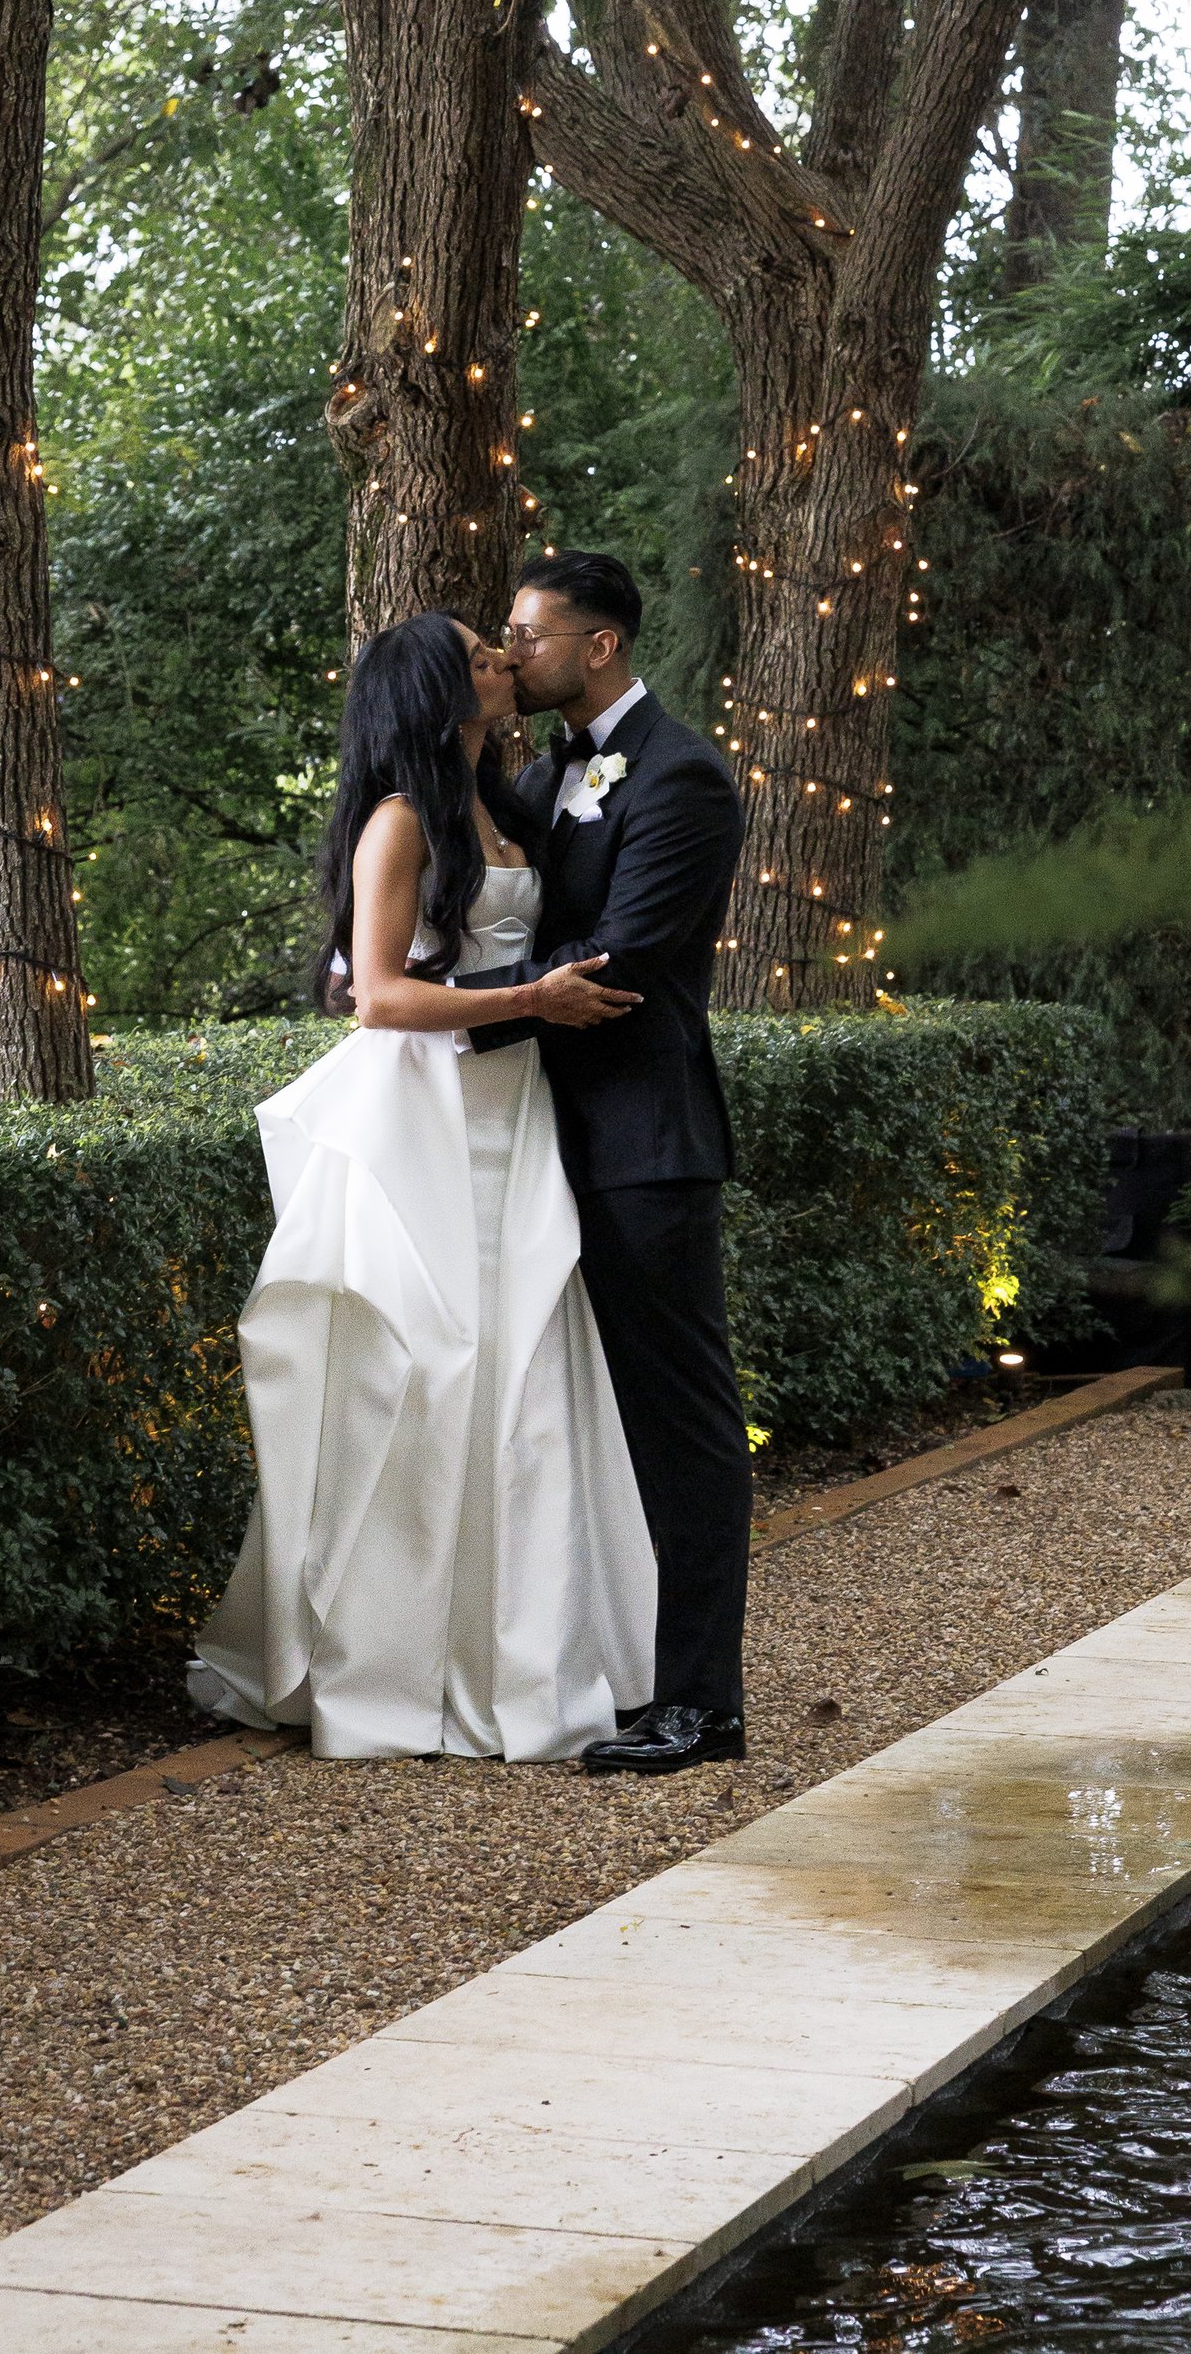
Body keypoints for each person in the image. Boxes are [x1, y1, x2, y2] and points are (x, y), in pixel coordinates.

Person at [188, 612, 657, 1760]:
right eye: (482, 655)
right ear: (438, 689)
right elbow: (380, 997)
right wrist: (525, 1005)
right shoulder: (399, 824)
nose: (503, 663)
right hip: (425, 1117)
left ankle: (535, 1658)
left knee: (528, 1370)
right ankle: (400, 1664)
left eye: (502, 650)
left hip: (511, 1117)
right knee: (429, 1374)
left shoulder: (496, 807)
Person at [502, 550, 751, 1775]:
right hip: (543, 1143)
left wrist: (436, 1011)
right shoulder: (546, 771)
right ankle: (597, 1666)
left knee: (682, 1425)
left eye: (529, 634)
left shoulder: (684, 773)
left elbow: (623, 957)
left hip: (646, 1144)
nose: (511, 653)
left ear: (599, 645)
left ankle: (703, 1705)